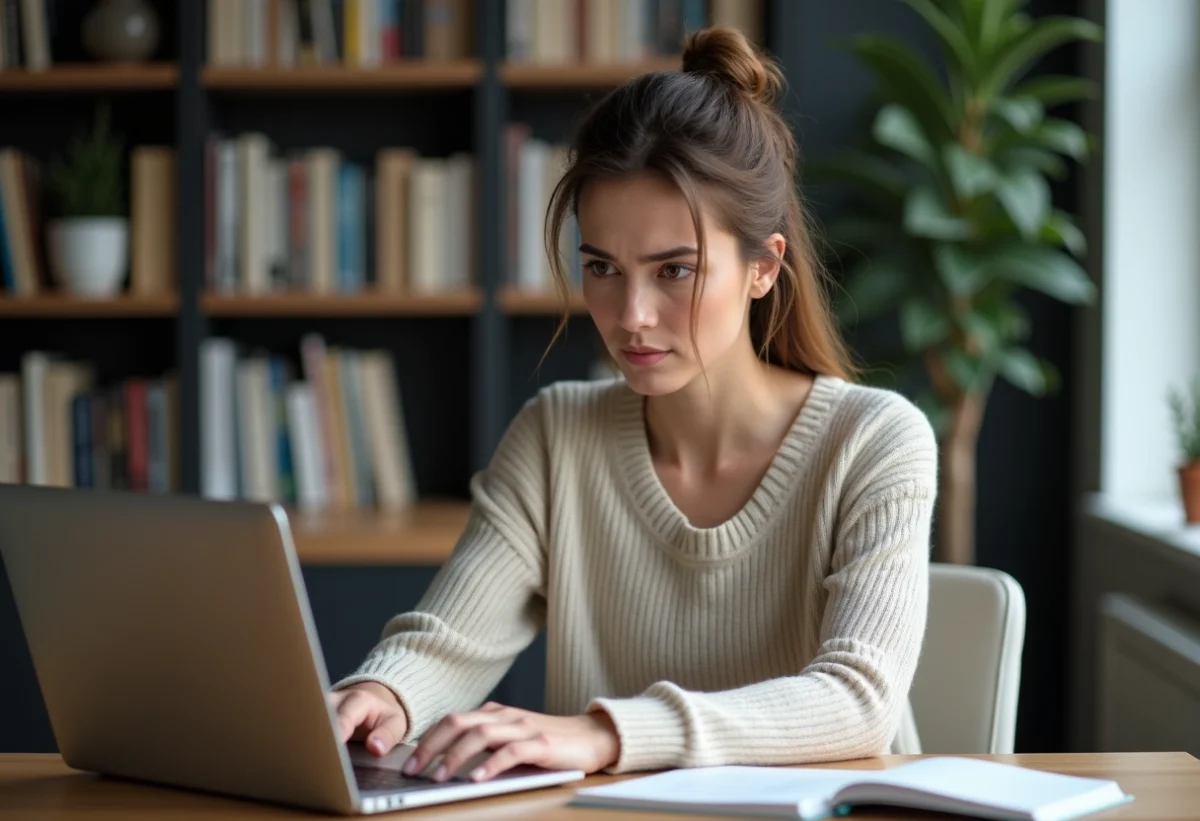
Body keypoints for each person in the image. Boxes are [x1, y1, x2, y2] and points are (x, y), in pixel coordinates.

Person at [328, 25, 938, 785]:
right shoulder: (559, 434)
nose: (631, 314)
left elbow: (859, 701)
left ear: (762, 267)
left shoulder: (875, 441)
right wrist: (379, 694)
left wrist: (605, 733)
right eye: (602, 268)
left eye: (675, 270)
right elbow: (448, 642)